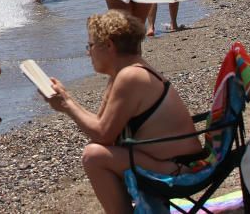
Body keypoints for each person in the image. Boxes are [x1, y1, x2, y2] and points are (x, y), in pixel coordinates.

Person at [44, 11, 202, 213]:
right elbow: (102, 128)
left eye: (90, 46)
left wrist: (67, 104)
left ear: (109, 45)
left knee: (94, 156)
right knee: (96, 152)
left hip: (181, 170)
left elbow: (103, 134)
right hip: (169, 164)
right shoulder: (125, 73)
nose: (87, 53)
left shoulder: (131, 76)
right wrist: (67, 98)